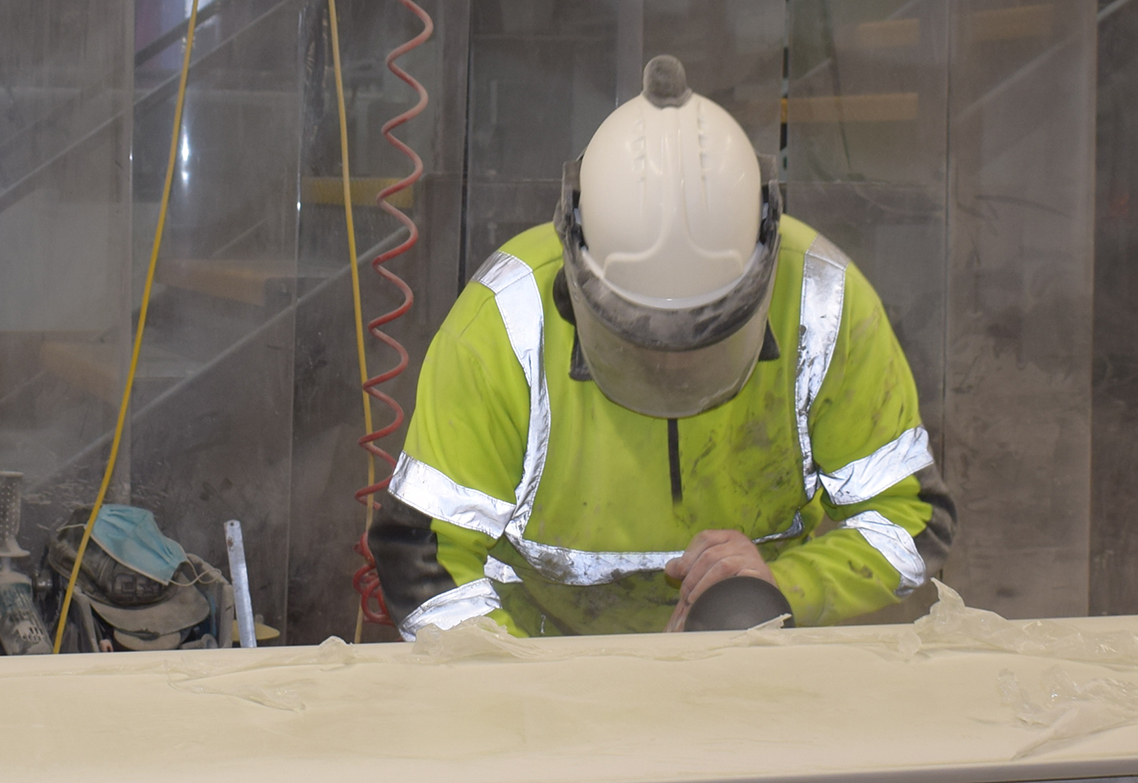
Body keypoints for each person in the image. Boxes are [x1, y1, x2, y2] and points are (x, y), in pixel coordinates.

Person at [369, 56, 956, 640]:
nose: (670, 373)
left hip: (747, 647)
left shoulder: (823, 304)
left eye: (706, 342)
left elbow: (911, 521)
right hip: (538, 660)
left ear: (766, 261)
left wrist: (783, 587)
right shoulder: (505, 324)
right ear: (575, 274)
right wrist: (531, 689)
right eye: (638, 342)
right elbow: (423, 559)